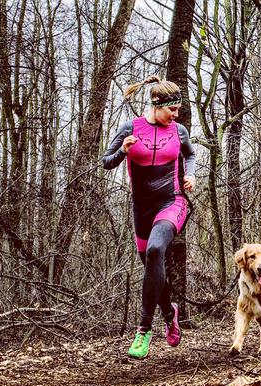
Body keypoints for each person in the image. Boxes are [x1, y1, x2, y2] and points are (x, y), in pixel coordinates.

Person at [102, 75, 196, 359]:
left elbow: (190, 155)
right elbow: (107, 162)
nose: (176, 115)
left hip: (172, 202)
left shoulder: (179, 131)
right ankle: (169, 313)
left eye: (178, 110)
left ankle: (143, 330)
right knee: (153, 265)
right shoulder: (131, 128)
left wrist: (190, 175)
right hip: (141, 208)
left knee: (157, 250)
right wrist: (123, 151)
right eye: (172, 110)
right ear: (157, 105)